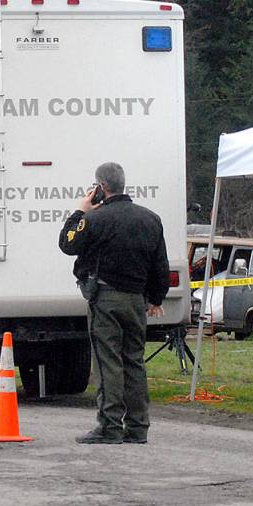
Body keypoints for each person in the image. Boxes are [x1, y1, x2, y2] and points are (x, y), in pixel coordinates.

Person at [58, 162, 169, 444]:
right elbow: (160, 265)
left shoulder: (95, 220)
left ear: (100, 188)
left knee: (108, 363)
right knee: (134, 361)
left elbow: (67, 243)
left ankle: (109, 427)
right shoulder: (150, 219)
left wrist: (80, 210)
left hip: (106, 299)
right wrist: (155, 298)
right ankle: (137, 426)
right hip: (136, 301)